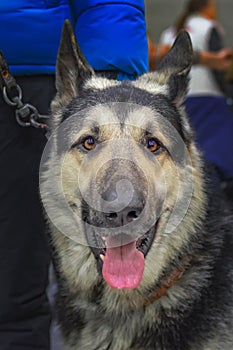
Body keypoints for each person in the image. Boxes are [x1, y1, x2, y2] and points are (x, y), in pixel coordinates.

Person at [0, 1, 233, 350]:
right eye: (90, 143)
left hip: (35, 73)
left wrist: (109, 78)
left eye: (153, 144)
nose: (120, 203)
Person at [159, 0, 233, 190]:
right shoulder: (209, 27)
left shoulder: (169, 32)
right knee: (217, 157)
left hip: (179, 102)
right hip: (210, 101)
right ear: (207, 7)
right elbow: (220, 69)